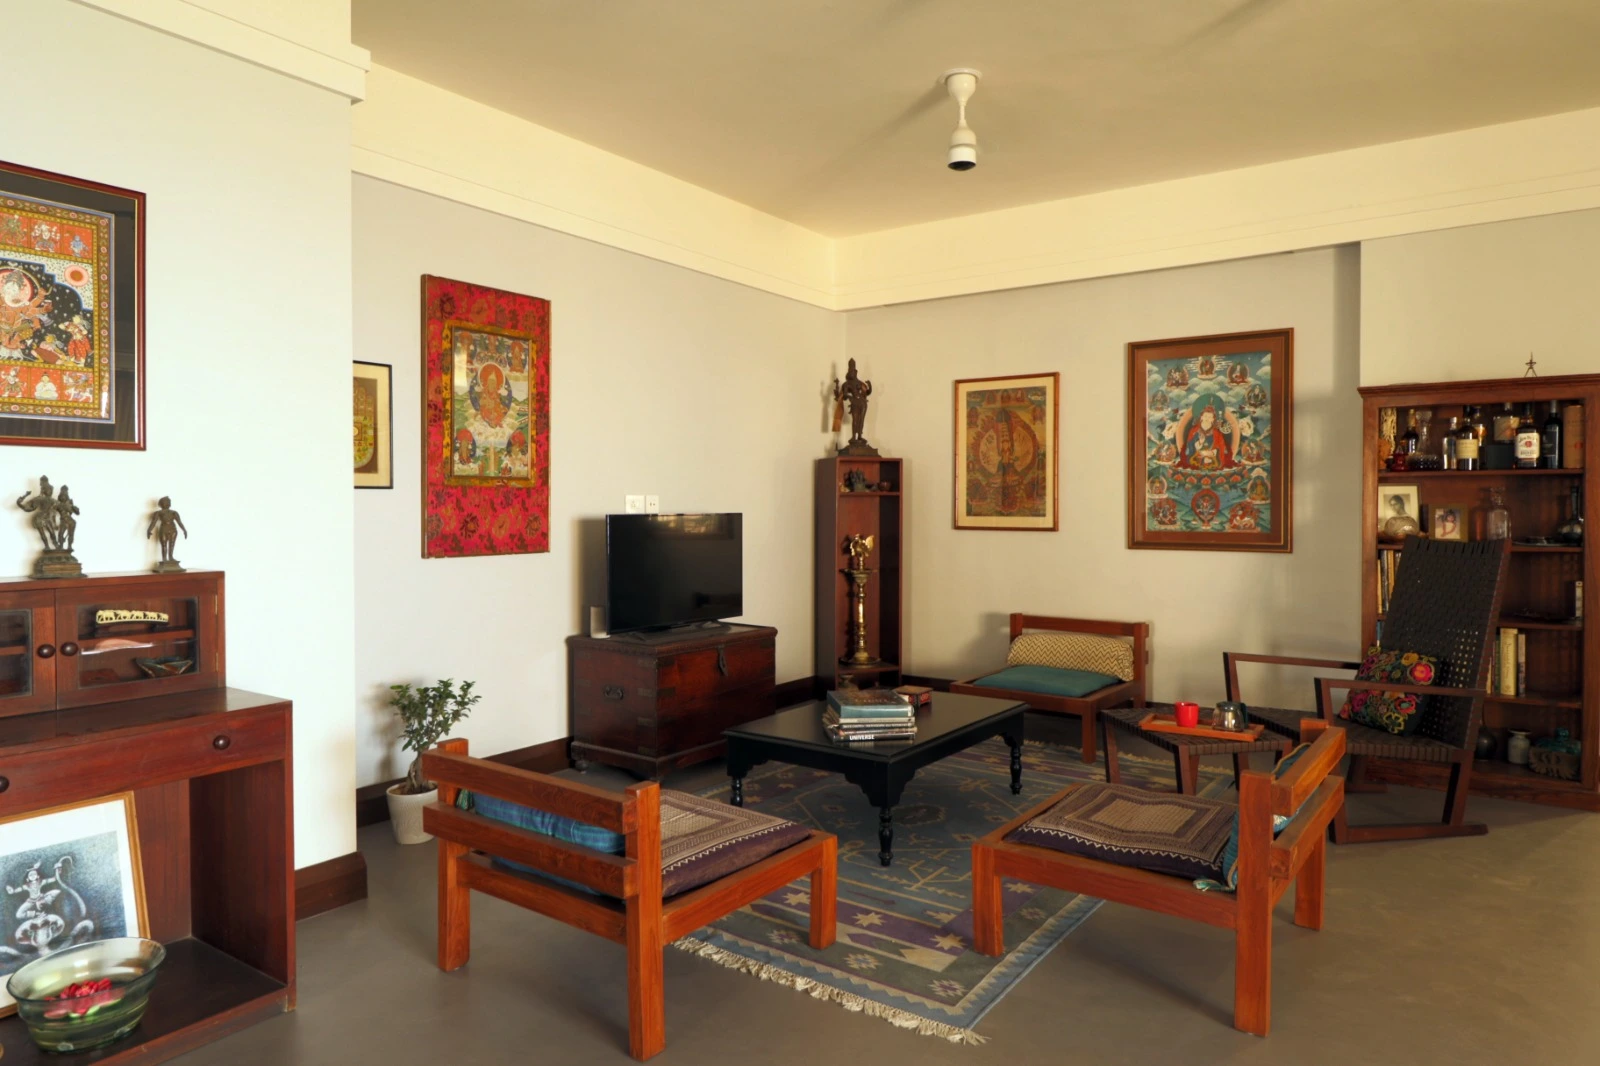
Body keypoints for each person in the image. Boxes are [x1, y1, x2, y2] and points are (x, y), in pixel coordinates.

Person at [147, 496, 187, 564]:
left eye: (168, 502)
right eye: (165, 502)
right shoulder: (158, 513)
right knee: (164, 544)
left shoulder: (174, 512)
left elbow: (179, 522)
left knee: (172, 544)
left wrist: (184, 530)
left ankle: (171, 557)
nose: (167, 503)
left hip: (173, 529)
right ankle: (164, 558)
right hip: (163, 528)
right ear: (161, 504)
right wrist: (149, 530)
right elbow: (153, 522)